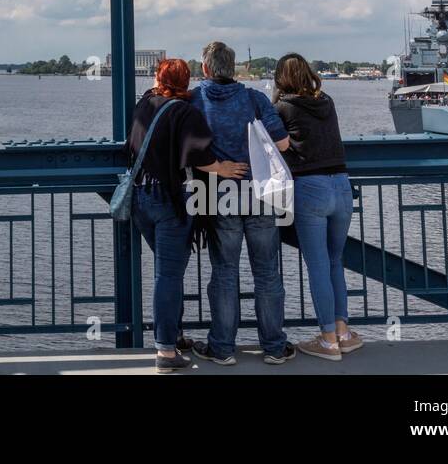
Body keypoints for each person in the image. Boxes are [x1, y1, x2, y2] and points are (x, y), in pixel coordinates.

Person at [128, 58, 249, 372]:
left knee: (164, 271)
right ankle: (166, 351)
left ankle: (175, 334)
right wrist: (222, 168)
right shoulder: (185, 112)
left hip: (142, 197)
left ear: (158, 77)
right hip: (172, 200)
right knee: (168, 274)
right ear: (187, 81)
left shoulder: (143, 104)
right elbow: (198, 155)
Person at [188, 40, 295, 366]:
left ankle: (222, 348)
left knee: (224, 273)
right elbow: (283, 143)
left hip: (216, 196)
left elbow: (186, 148)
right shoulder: (254, 98)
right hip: (260, 193)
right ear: (233, 68)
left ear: (205, 68)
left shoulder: (195, 99)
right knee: (266, 273)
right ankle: (275, 347)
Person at [272, 53, 363, 360]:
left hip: (310, 187)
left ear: (281, 78)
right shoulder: (327, 101)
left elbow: (272, 144)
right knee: (335, 261)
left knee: (319, 265)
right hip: (342, 184)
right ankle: (343, 332)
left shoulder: (282, 107)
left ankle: (327, 340)